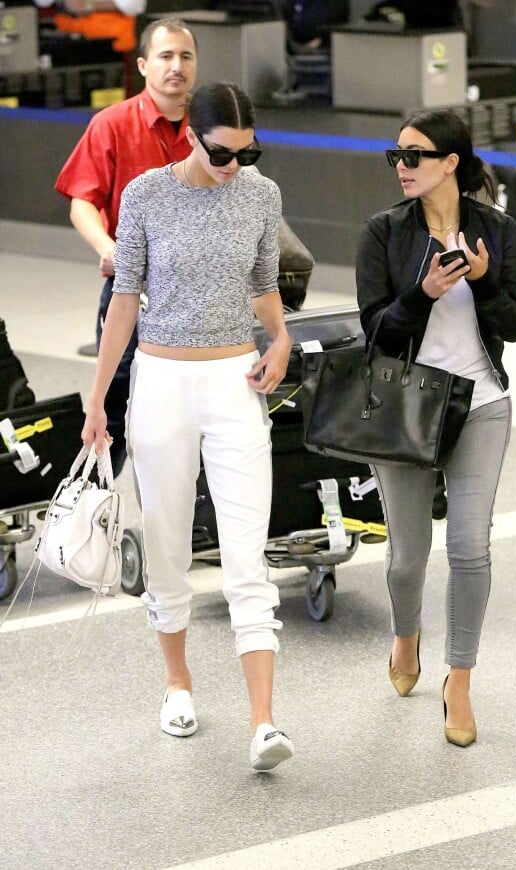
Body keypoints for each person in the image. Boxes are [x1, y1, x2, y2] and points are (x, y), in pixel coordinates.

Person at [81, 81, 295, 772]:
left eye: (247, 151)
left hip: (236, 381)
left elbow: (264, 282)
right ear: (192, 138)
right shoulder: (144, 195)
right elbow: (124, 300)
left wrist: (281, 339)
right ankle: (178, 683)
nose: (235, 164)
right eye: (222, 152)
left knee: (246, 552)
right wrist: (95, 400)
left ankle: (264, 722)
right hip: (162, 382)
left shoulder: (261, 194)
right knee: (169, 545)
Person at [356, 109, 516, 747]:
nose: (400, 168)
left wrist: (483, 283)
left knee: (470, 547)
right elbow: (375, 331)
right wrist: (422, 293)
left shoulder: (500, 232)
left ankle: (458, 679)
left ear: (450, 164)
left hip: (481, 404)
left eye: (413, 156)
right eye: (395, 156)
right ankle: (407, 635)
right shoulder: (382, 233)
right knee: (407, 556)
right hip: (405, 406)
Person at [54, 17, 197, 477]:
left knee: (193, 408)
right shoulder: (112, 124)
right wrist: (108, 247)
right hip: (131, 285)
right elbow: (82, 201)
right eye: (165, 56)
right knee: (113, 402)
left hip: (199, 292)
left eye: (186, 56)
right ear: (143, 64)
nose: (176, 66)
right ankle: (91, 513)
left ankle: (197, 522)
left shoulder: (212, 127)